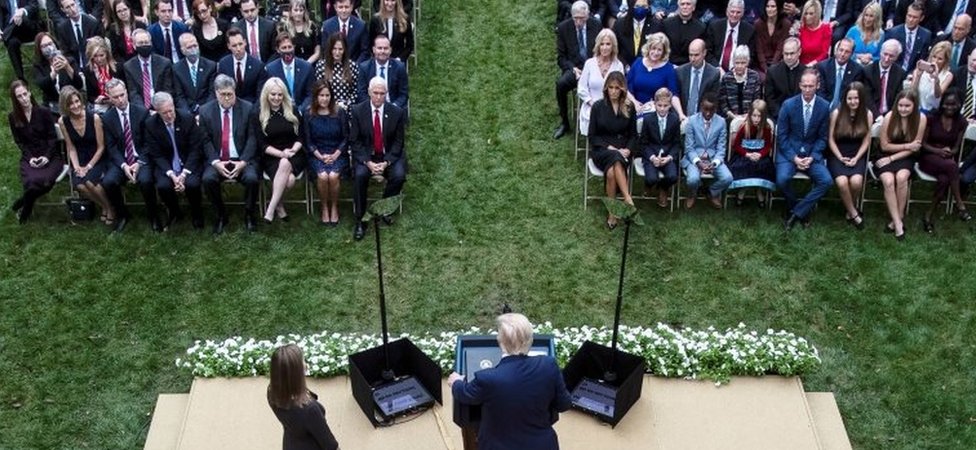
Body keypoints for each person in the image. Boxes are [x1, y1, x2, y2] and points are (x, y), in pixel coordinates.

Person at [447, 313, 572, 450]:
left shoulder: (487, 378)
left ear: (500, 340)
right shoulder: (549, 365)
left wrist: (456, 382)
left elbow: (465, 393)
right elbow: (564, 404)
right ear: (530, 339)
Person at [198, 75, 259, 234]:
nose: (226, 98)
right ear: (216, 93)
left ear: (235, 92)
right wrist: (215, 162)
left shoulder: (248, 108)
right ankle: (220, 215)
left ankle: (249, 214)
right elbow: (205, 141)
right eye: (223, 94)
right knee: (208, 179)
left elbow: (253, 137)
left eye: (230, 94)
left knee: (252, 179)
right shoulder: (205, 111)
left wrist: (244, 161)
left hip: (241, 158)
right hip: (218, 159)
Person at [350, 77, 407, 241]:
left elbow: (398, 142)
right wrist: (368, 162)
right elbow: (355, 141)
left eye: (382, 93)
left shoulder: (396, 113)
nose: (378, 97)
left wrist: (386, 162)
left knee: (399, 175)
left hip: (387, 156)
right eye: (375, 93)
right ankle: (360, 221)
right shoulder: (357, 111)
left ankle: (384, 209)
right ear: (369, 92)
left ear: (386, 94)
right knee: (360, 176)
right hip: (367, 157)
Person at [101, 79, 160, 232]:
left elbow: (149, 143)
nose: (120, 100)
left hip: (142, 158)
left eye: (122, 95)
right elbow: (111, 147)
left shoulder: (141, 112)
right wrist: (124, 165)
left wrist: (139, 163)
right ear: (109, 97)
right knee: (108, 182)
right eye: (115, 97)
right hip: (121, 161)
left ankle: (154, 216)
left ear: (127, 92)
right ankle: (122, 215)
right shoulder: (107, 118)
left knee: (146, 180)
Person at [778, 70, 833, 230]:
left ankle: (796, 212)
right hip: (790, 153)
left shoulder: (823, 107)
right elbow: (782, 136)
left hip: (811, 154)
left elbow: (823, 137)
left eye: (811, 86)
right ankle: (797, 207)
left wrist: (813, 156)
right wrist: (794, 158)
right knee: (782, 180)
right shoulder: (788, 105)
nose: (807, 90)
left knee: (826, 181)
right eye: (805, 86)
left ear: (818, 86)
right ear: (800, 85)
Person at [145, 91, 206, 230]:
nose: (169, 115)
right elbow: (156, 155)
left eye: (171, 110)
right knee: (163, 186)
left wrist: (183, 174)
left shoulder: (187, 118)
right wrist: (172, 175)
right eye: (164, 113)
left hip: (188, 163)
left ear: (173, 105)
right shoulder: (151, 125)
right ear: (157, 112)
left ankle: (197, 213)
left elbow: (196, 149)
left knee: (192, 184)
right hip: (167, 165)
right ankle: (174, 212)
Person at [8, 80, 62, 224]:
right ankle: (27, 206)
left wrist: (46, 156)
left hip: (51, 154)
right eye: (19, 96)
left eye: (25, 94)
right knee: (32, 182)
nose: (24, 98)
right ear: (15, 99)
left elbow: (53, 138)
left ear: (29, 92)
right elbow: (20, 142)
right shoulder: (13, 117)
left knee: (45, 182)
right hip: (30, 155)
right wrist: (30, 157)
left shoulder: (44, 112)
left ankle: (23, 204)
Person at [59, 86, 115, 225]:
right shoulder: (63, 121)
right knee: (81, 185)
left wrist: (89, 166)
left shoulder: (94, 118)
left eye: (77, 101)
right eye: (70, 104)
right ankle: (106, 206)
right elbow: (71, 147)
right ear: (65, 106)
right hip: (80, 157)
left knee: (91, 182)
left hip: (97, 156)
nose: (75, 105)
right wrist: (77, 166)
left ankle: (110, 208)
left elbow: (101, 146)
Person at [588, 71, 637, 228]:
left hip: (623, 151)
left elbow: (633, 135)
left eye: (617, 88)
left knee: (611, 173)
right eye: (611, 87)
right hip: (602, 149)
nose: (614, 91)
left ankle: (612, 213)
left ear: (622, 89)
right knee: (614, 157)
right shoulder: (597, 107)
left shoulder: (629, 107)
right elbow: (592, 136)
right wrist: (610, 147)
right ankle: (627, 198)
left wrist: (628, 150)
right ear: (606, 88)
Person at [267, 344, 340, 450]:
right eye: (302, 362)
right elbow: (330, 445)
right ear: (295, 374)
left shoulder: (272, 391)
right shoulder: (309, 409)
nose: (305, 364)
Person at [253, 77, 305, 224]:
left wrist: (292, 150)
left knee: (285, 164)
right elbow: (262, 145)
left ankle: (271, 207)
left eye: (280, 94)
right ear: (266, 95)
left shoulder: (292, 110)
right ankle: (278, 206)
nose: (276, 98)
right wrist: (282, 154)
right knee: (289, 180)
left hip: (295, 153)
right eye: (273, 94)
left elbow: (301, 137)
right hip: (271, 156)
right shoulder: (259, 114)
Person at [919, 90, 971, 232]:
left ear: (959, 105)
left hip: (946, 160)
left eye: (953, 104)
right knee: (952, 166)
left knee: (944, 180)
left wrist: (949, 152)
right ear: (942, 104)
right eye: (947, 104)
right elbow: (922, 144)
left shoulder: (961, 122)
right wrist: (938, 151)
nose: (950, 107)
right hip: (928, 157)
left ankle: (928, 216)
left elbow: (956, 148)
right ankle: (960, 205)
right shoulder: (932, 118)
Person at [876, 90, 925, 239]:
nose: (903, 109)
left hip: (906, 157)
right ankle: (898, 222)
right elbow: (884, 146)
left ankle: (898, 218)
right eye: (900, 105)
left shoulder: (921, 118)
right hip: (885, 155)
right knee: (889, 181)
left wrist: (896, 156)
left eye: (907, 106)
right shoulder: (890, 116)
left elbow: (915, 148)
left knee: (902, 178)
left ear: (914, 106)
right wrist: (907, 146)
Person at [826, 82, 872, 229]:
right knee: (842, 182)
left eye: (856, 98)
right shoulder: (837, 113)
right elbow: (831, 139)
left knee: (856, 182)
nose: (853, 102)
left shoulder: (867, 114)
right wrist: (839, 157)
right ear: (845, 99)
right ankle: (853, 212)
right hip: (837, 153)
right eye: (850, 98)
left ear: (861, 98)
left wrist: (857, 158)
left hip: (857, 154)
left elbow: (866, 140)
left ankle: (848, 207)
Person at [553, 1, 601, 140]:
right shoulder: (563, 28)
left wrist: (592, 68)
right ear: (572, 16)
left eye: (582, 18)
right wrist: (573, 69)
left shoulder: (596, 25)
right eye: (576, 18)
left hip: (593, 67)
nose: (579, 22)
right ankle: (564, 123)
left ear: (587, 15)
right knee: (560, 84)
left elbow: (600, 51)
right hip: (574, 68)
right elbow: (561, 58)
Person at [306, 81, 349, 226]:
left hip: (337, 153)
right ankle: (324, 206)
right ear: (316, 97)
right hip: (317, 154)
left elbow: (345, 137)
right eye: (321, 95)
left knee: (333, 175)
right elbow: (308, 140)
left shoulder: (339, 112)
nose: (324, 99)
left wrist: (336, 154)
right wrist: (320, 156)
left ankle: (334, 206)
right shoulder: (309, 113)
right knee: (323, 176)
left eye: (327, 95)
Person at [682, 92, 732, 209]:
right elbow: (689, 147)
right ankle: (693, 193)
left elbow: (721, 147)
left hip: (713, 158)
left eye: (712, 110)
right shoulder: (692, 121)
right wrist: (698, 162)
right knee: (693, 179)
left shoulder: (721, 122)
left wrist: (714, 163)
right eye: (705, 109)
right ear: (700, 107)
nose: (708, 113)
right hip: (694, 158)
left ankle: (711, 191)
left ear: (716, 109)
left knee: (728, 178)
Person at [578, 29, 626, 138]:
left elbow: (621, 89)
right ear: (598, 46)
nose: (604, 47)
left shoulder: (618, 65)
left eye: (608, 44)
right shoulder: (589, 63)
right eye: (602, 44)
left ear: (613, 46)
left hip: (613, 106)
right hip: (592, 106)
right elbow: (581, 88)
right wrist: (593, 104)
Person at [728, 99, 776, 207]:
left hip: (760, 155)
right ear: (750, 115)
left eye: (759, 116)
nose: (756, 119)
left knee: (761, 166)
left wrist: (760, 154)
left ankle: (758, 190)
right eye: (754, 115)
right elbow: (736, 145)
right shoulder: (744, 127)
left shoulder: (766, 129)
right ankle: (743, 190)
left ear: (763, 117)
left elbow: (768, 145)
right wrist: (747, 154)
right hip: (744, 155)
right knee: (747, 166)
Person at [639, 87, 681, 208]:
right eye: (659, 105)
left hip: (667, 155)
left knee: (673, 176)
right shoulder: (648, 120)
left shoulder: (674, 120)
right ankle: (649, 185)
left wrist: (669, 158)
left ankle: (663, 188)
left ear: (670, 106)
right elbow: (643, 143)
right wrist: (652, 158)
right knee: (652, 178)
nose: (662, 109)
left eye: (665, 106)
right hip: (651, 155)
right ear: (655, 104)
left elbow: (677, 143)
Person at [627, 33, 684, 119]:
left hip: (656, 114)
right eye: (653, 48)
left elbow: (673, 95)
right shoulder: (638, 62)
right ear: (648, 48)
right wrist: (634, 103)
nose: (655, 52)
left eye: (659, 50)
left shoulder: (668, 69)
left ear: (664, 52)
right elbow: (626, 87)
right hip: (634, 109)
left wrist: (680, 114)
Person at [123, 29, 176, 110]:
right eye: (140, 43)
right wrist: (144, 111)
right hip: (141, 108)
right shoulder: (129, 66)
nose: (144, 45)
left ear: (151, 43)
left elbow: (167, 89)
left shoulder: (164, 63)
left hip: (161, 106)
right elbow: (133, 93)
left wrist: (159, 107)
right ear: (134, 45)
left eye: (146, 42)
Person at [32, 33, 84, 112]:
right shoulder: (38, 66)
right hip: (52, 104)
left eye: (50, 43)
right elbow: (42, 85)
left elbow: (79, 84)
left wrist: (67, 67)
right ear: (39, 49)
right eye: (44, 46)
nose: (49, 47)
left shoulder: (69, 60)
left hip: (72, 102)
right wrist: (53, 74)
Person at [357, 34, 409, 109]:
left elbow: (404, 94)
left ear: (390, 50)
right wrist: (373, 107)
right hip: (371, 109)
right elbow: (361, 93)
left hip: (393, 108)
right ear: (374, 50)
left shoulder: (399, 67)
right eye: (379, 48)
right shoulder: (364, 68)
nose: (382, 51)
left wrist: (394, 107)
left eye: (385, 48)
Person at [265, 34, 314, 109]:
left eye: (289, 47)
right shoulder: (270, 69)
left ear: (294, 46)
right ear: (278, 50)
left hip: (302, 111)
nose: (287, 50)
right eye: (284, 48)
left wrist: (300, 110)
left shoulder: (306, 67)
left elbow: (310, 94)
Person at [704, 0, 755, 72]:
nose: (734, 15)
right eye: (732, 11)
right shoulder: (715, 26)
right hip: (715, 70)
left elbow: (751, 56)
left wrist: (738, 69)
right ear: (727, 12)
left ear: (743, 13)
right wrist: (717, 67)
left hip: (738, 71)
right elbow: (708, 52)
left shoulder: (749, 30)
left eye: (738, 12)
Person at [218, 28, 265, 103]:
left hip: (251, 108)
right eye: (234, 46)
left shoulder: (258, 65)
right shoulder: (223, 64)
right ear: (228, 46)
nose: (238, 49)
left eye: (240, 44)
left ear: (245, 42)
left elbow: (260, 95)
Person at [174, 32, 217, 115]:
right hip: (187, 111)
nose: (193, 50)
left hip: (207, 110)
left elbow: (212, 92)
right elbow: (179, 96)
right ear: (182, 50)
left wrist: (204, 112)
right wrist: (187, 114)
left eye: (195, 46)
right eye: (189, 47)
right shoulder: (176, 69)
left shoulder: (210, 66)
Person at [677, 38, 721, 118]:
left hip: (702, 119)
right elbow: (676, 97)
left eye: (696, 55)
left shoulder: (713, 74)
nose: (693, 59)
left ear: (704, 53)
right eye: (690, 55)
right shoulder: (680, 72)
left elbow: (712, 101)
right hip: (682, 117)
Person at [883, 1, 931, 73]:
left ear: (921, 18)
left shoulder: (926, 35)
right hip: (893, 73)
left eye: (915, 17)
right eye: (909, 16)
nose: (911, 20)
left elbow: (922, 59)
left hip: (913, 74)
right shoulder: (893, 33)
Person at [717, 45, 762, 123]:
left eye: (743, 63)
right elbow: (723, 103)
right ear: (733, 62)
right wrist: (733, 116)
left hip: (751, 118)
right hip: (730, 118)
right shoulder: (726, 78)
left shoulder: (754, 77)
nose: (739, 66)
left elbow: (757, 101)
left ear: (747, 62)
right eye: (737, 63)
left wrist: (748, 115)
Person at [55, 0, 104, 70]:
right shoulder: (63, 29)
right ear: (63, 10)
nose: (72, 9)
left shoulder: (92, 23)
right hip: (75, 66)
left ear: (77, 4)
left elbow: (100, 44)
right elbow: (65, 52)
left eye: (73, 5)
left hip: (93, 64)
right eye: (68, 7)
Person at [864, 39, 907, 118]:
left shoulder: (900, 74)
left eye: (891, 56)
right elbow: (867, 99)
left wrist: (889, 116)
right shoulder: (868, 71)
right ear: (880, 52)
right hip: (871, 114)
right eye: (885, 54)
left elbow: (898, 98)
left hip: (890, 114)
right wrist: (878, 117)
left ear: (897, 57)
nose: (887, 59)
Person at [817, 38, 863, 110]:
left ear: (852, 54)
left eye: (847, 52)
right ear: (836, 50)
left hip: (845, 110)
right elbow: (821, 92)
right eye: (841, 50)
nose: (842, 54)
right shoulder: (823, 67)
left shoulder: (857, 70)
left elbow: (853, 94)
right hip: (825, 108)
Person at [315, 34, 360, 108]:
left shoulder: (352, 66)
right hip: (327, 108)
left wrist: (346, 104)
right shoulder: (321, 65)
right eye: (334, 49)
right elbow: (319, 90)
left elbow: (355, 91)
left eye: (340, 49)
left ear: (344, 50)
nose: (337, 52)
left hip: (346, 108)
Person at [82, 37, 125, 114]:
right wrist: (98, 100)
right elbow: (90, 96)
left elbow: (126, 90)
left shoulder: (118, 67)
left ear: (107, 54)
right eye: (95, 56)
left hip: (118, 103)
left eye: (101, 55)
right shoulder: (88, 71)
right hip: (100, 107)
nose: (99, 59)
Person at [1, 0, 40, 83]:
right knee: (12, 43)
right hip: (13, 33)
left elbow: (34, 6)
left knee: (21, 18)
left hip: (29, 29)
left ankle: (5, 36)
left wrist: (22, 11)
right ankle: (21, 79)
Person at [765, 37, 803, 119]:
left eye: (792, 53)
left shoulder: (806, 72)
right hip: (778, 116)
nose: (789, 57)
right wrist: (782, 116)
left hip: (800, 117)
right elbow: (770, 99)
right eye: (786, 54)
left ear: (799, 52)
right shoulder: (773, 72)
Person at [911, 41, 954, 113]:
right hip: (915, 109)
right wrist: (918, 76)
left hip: (932, 113)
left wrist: (936, 79)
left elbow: (937, 95)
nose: (935, 61)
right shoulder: (921, 69)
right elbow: (912, 92)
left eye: (940, 59)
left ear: (945, 60)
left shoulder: (948, 75)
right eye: (934, 57)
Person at [660, 0, 706, 67]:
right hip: (668, 64)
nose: (685, 7)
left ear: (693, 7)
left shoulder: (701, 27)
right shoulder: (666, 24)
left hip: (689, 66)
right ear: (678, 7)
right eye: (682, 4)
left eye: (688, 4)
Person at [754, 0, 791, 75]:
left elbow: (780, 48)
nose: (770, 9)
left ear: (778, 8)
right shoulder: (758, 24)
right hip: (760, 64)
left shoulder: (786, 24)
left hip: (779, 63)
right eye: (767, 6)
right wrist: (764, 68)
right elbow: (759, 49)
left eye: (773, 6)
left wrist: (772, 68)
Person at [615, 0, 657, 67]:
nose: (640, 9)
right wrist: (624, 65)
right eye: (637, 6)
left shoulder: (656, 25)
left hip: (647, 66)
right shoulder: (620, 24)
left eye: (644, 6)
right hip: (624, 66)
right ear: (632, 7)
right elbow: (615, 50)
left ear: (648, 7)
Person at [798, 0, 832, 66]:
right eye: (806, 13)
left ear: (817, 14)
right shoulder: (800, 28)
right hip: (801, 65)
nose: (807, 17)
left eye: (811, 14)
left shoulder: (826, 29)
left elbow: (824, 54)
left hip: (818, 65)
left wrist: (812, 64)